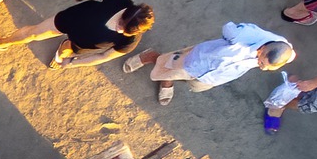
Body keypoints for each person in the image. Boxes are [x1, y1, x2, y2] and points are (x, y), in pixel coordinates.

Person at [123, 20, 294, 103]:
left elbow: (290, 53)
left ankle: (169, 77)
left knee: (192, 83)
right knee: (171, 65)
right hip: (199, 60)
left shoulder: (283, 49)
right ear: (262, 49)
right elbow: (229, 28)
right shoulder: (246, 36)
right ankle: (151, 57)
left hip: (214, 76)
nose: (262, 68)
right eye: (262, 63)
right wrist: (234, 37)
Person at [0, 0, 155, 67]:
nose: (118, 30)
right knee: (33, 32)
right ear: (126, 11)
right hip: (71, 19)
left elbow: (104, 56)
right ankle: (2, 42)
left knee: (66, 50)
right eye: (121, 23)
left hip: (82, 43)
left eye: (124, 31)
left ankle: (61, 52)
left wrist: (74, 64)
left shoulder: (130, 40)